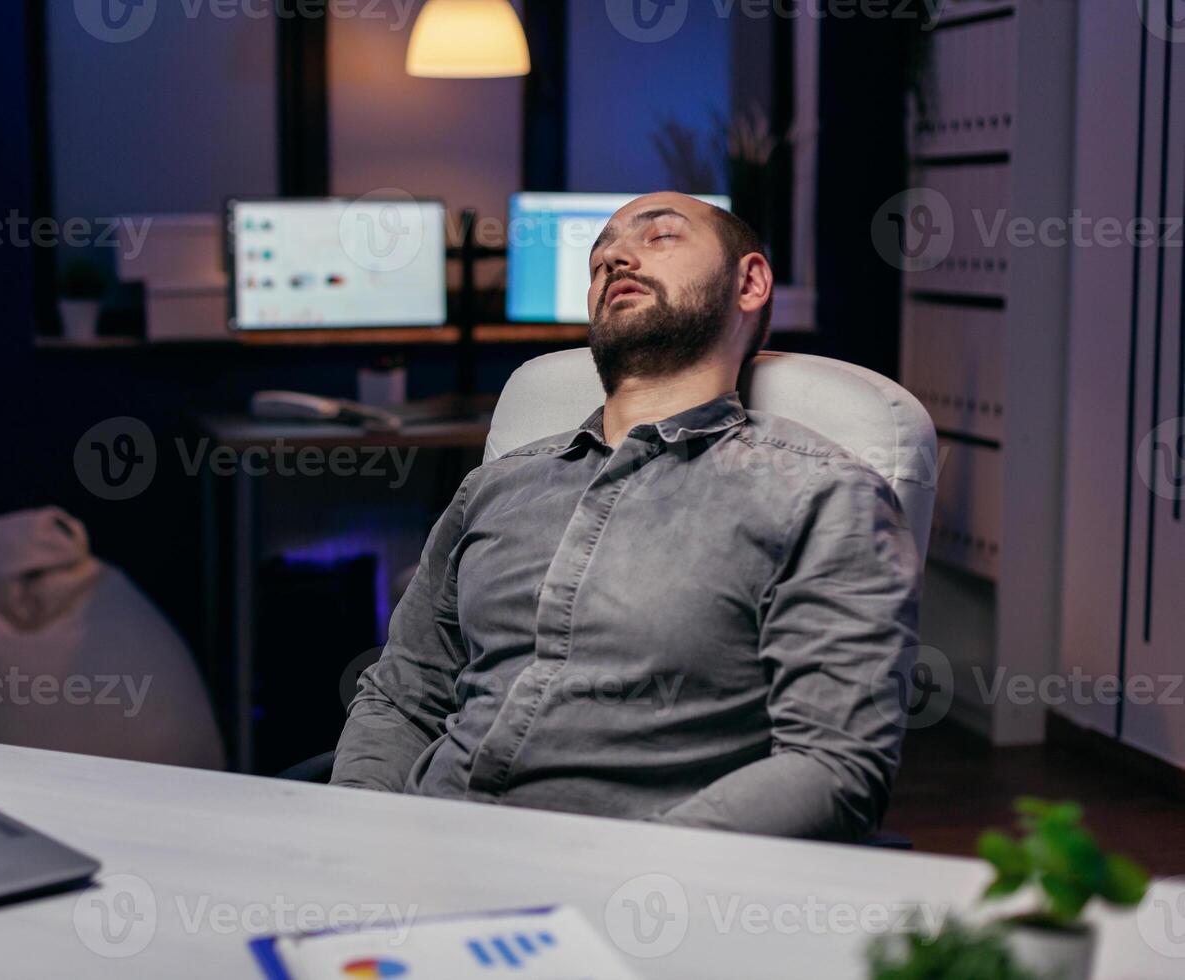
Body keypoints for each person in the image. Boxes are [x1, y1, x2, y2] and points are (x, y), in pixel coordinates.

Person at [331, 192, 920, 842]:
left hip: (639, 899)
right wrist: (358, 836)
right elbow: (403, 696)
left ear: (749, 281)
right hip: (421, 858)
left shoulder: (821, 495)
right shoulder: (494, 489)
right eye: (599, 255)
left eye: (661, 236)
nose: (614, 256)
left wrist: (630, 874)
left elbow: (832, 767)